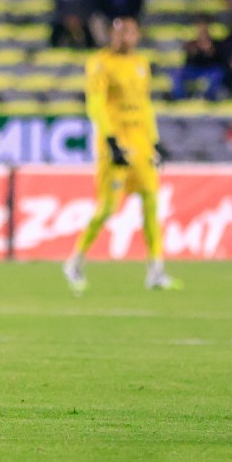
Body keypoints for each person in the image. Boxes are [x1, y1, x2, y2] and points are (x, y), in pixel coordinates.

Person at [63, 17, 179, 294]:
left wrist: (154, 140)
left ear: (137, 35)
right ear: (112, 35)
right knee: (107, 208)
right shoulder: (100, 63)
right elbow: (96, 104)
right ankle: (75, 261)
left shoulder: (141, 64)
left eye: (129, 32)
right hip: (115, 143)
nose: (124, 37)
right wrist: (110, 139)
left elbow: (144, 105)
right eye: (119, 33)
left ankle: (156, 271)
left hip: (141, 143)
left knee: (151, 203)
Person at [172, 16, 226, 100]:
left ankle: (209, 97)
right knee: (177, 73)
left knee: (218, 73)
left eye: (204, 26)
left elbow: (219, 61)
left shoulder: (215, 43)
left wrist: (210, 52)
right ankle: (180, 98)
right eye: (200, 27)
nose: (202, 30)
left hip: (209, 70)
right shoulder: (191, 43)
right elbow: (187, 62)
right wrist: (193, 52)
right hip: (193, 70)